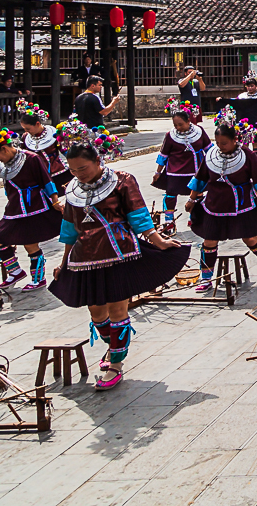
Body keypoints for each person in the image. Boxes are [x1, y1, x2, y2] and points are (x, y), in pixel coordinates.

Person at [50, 134, 190, 389]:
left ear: (97, 160)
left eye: (83, 168)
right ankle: (114, 345)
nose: (78, 174)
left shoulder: (122, 181)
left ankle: (115, 362)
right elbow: (70, 229)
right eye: (73, 170)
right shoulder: (72, 190)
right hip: (85, 259)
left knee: (117, 309)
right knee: (96, 313)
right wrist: (64, 261)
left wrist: (158, 241)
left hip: (118, 254)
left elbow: (139, 216)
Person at [187, 109, 257, 289]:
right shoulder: (211, 155)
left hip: (242, 204)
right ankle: (206, 278)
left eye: (225, 143)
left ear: (235, 140)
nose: (220, 146)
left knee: (250, 238)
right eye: (218, 142)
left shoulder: (248, 155)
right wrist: (192, 199)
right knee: (209, 241)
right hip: (214, 205)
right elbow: (200, 178)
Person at [0, 124, 64, 291]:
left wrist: (55, 201)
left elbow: (46, 181)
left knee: (30, 244)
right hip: (14, 207)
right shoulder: (5, 165)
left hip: (34, 206)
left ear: (4, 149)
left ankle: (38, 279)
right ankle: (15, 272)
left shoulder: (31, 159)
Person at [151, 97, 211, 235]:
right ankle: (169, 222)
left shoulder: (199, 131)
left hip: (196, 170)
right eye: (175, 125)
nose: (178, 127)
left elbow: (209, 148)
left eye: (181, 124)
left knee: (198, 195)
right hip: (175, 171)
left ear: (189, 121)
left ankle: (195, 219)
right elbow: (163, 155)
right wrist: (158, 172)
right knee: (170, 195)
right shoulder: (170, 136)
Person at [18, 101, 71, 189]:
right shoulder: (25, 137)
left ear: (37, 124)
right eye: (24, 129)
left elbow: (66, 152)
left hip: (56, 172)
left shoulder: (53, 134)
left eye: (28, 128)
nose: (26, 131)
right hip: (36, 175)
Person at [235, 72, 257, 144]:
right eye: (248, 86)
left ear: (256, 86)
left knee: (255, 142)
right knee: (245, 142)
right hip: (244, 122)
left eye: (252, 86)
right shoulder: (242, 96)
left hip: (256, 120)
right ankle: (246, 155)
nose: (250, 88)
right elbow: (235, 104)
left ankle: (255, 155)